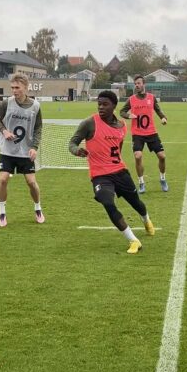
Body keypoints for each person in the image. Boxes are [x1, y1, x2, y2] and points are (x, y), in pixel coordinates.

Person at [69, 91, 155, 253]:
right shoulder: (89, 123)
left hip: (120, 172)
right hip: (100, 175)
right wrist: (77, 150)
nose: (101, 107)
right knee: (108, 203)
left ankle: (146, 220)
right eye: (99, 104)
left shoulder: (122, 126)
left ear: (114, 106)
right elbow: (72, 143)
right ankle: (133, 240)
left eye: (105, 104)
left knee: (136, 203)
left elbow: (118, 149)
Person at [0, 73, 44, 226]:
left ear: (26, 87)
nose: (14, 91)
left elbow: (38, 128)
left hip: (26, 151)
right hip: (7, 151)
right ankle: (2, 212)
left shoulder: (35, 106)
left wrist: (34, 147)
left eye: (17, 87)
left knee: (31, 183)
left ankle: (38, 208)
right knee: (3, 179)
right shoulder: (6, 103)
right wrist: (5, 131)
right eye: (12, 88)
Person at [119, 75, 169, 193]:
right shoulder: (131, 99)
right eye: (135, 84)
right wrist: (128, 115)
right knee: (138, 156)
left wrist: (163, 118)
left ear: (143, 84)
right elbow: (122, 111)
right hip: (137, 134)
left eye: (139, 83)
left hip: (152, 133)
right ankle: (141, 183)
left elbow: (158, 109)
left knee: (162, 156)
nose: (137, 85)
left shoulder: (151, 97)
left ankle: (162, 179)